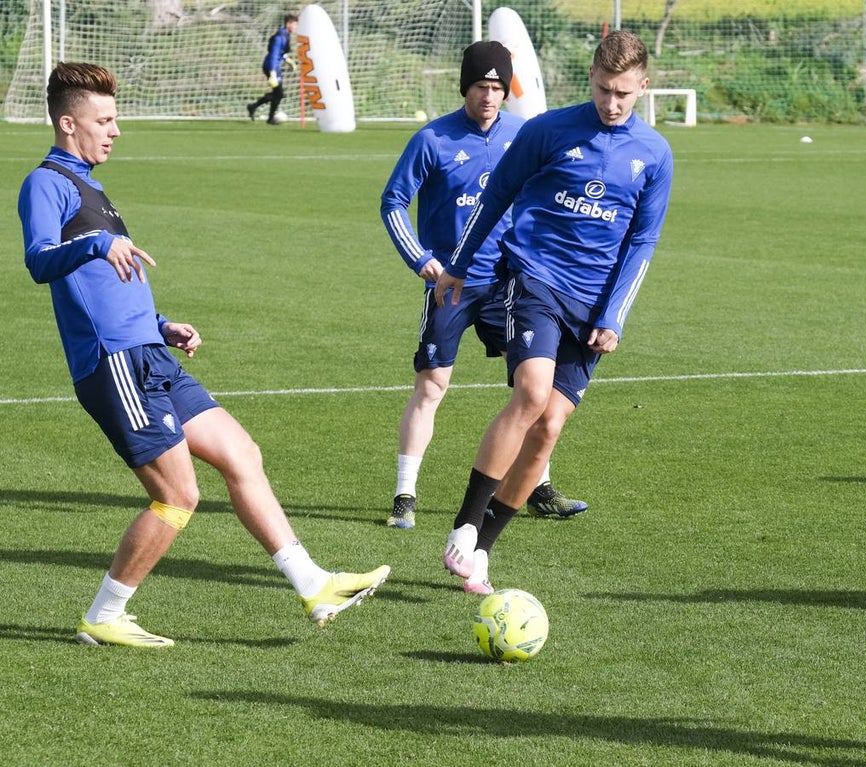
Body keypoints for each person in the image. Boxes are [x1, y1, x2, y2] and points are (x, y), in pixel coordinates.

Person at [18, 62, 390, 648]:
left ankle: (313, 583)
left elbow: (105, 286)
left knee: (242, 452)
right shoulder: (46, 182)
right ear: (68, 123)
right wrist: (99, 241)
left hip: (148, 354)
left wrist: (162, 326)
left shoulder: (90, 185)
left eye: (115, 120)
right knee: (177, 497)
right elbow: (40, 259)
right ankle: (105, 615)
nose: (114, 131)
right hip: (114, 363)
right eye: (104, 120)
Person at [434, 30, 674, 594]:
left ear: (643, 86)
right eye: (602, 89)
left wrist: (613, 316)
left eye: (622, 93)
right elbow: (496, 198)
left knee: (548, 431)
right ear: (591, 78)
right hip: (535, 277)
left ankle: (482, 554)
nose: (611, 103)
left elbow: (642, 244)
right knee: (532, 393)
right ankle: (466, 523)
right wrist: (460, 265)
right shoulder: (548, 130)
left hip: (592, 306)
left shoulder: (655, 155)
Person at [380, 41, 588, 530]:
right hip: (452, 284)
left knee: (531, 389)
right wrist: (422, 260)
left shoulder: (524, 135)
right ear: (465, 87)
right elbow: (392, 203)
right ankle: (404, 495)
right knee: (432, 385)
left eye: (498, 87)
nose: (490, 96)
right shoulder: (432, 139)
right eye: (481, 87)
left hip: (512, 282)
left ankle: (537, 486)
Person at [247, 13, 298, 125]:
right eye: (294, 24)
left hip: (274, 66)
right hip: (271, 66)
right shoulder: (280, 37)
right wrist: (273, 73)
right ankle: (268, 117)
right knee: (279, 94)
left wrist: (288, 61)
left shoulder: (286, 35)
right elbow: (273, 56)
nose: (296, 27)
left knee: (278, 94)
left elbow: (280, 53)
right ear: (288, 24)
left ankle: (254, 107)